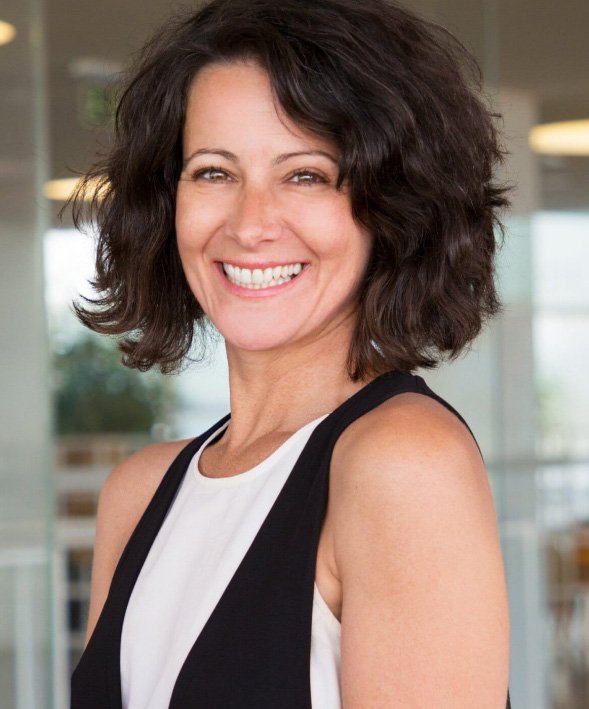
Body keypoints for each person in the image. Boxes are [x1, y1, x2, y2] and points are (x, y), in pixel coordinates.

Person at [69, 0, 512, 706]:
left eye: (305, 174)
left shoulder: (401, 465)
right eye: (214, 172)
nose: (250, 225)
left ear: (392, 206)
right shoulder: (138, 491)